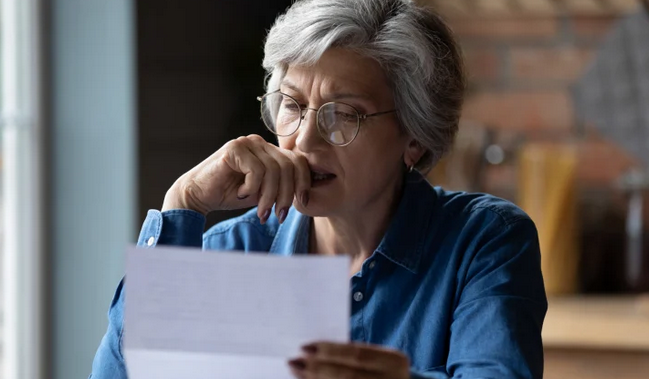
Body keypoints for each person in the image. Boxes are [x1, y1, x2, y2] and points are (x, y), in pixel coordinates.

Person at [90, 0, 547, 378]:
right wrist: (183, 203)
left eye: (343, 114)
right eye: (291, 105)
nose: (303, 141)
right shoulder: (234, 250)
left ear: (415, 135)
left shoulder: (484, 241)